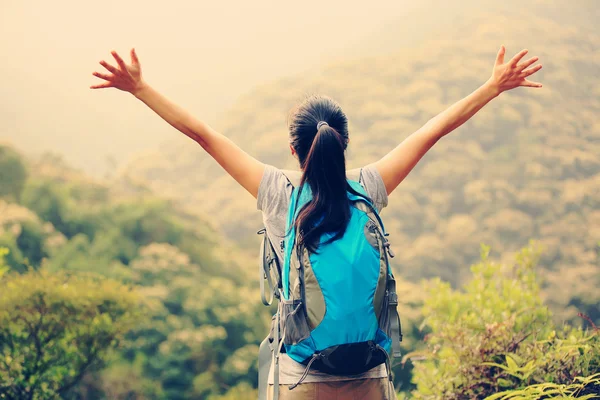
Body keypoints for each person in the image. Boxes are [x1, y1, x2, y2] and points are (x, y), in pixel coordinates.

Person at [90, 45, 543, 399]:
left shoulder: (275, 192)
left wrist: (139, 88)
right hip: (368, 369)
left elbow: (204, 135)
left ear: (293, 149)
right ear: (343, 144)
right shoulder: (369, 186)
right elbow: (432, 131)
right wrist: (493, 86)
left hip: (302, 374)